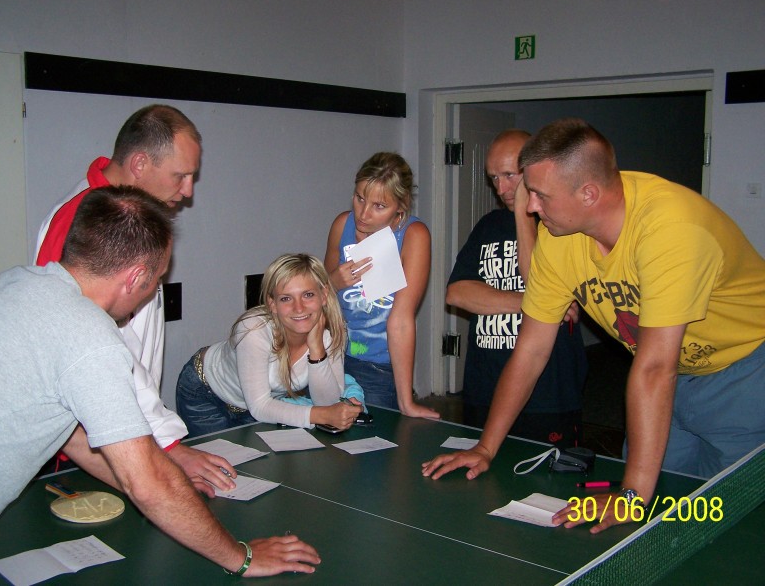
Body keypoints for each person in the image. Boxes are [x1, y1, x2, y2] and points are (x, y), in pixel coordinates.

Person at [423, 118, 765, 534]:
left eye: (540, 195)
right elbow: (531, 351)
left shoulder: (672, 229)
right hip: (671, 381)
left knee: (728, 520)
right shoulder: (558, 237)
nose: (529, 207)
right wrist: (485, 448)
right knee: (662, 517)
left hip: (744, 373)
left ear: (588, 193)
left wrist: (631, 496)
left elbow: (655, 369)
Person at [0, 187, 321, 576]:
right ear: (136, 277)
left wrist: (162, 487)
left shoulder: (16, 284)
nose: (154, 291)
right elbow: (148, 483)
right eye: (158, 279)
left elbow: (70, 434)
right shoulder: (90, 339)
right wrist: (242, 557)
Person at [35, 104, 230, 493]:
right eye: (180, 175)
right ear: (140, 164)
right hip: (91, 445)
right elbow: (96, 348)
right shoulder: (83, 222)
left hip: (122, 427)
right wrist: (166, 444)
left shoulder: (120, 214)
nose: (188, 191)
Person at [446, 129, 586, 446]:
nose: (501, 189)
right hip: (484, 388)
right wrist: (527, 302)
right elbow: (457, 293)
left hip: (547, 395)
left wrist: (525, 213)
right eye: (493, 178)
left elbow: (537, 279)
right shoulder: (488, 226)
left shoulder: (564, 225)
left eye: (509, 176)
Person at [176, 253, 364, 436]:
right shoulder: (253, 329)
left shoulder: (332, 332)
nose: (299, 308)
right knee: (217, 458)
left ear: (323, 295)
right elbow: (261, 406)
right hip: (205, 394)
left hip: (256, 407)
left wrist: (317, 350)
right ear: (272, 304)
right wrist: (322, 415)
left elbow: (328, 403)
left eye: (308, 295)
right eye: (286, 298)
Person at [324, 152, 439, 419]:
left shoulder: (413, 235)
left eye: (379, 206)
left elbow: (401, 321)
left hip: (377, 369)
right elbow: (318, 298)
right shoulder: (342, 225)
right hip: (333, 359)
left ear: (401, 205)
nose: (363, 214)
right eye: (360, 198)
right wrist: (333, 281)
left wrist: (406, 402)